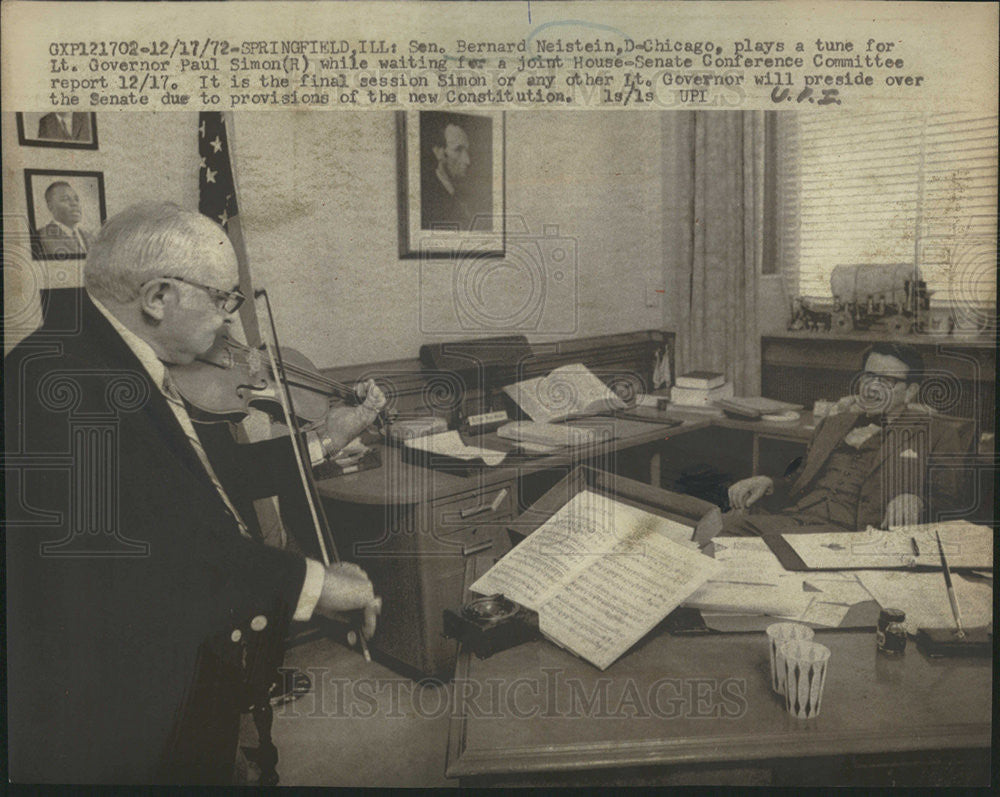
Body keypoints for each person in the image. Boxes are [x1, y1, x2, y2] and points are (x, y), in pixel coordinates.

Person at [6, 202, 386, 784]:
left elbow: (206, 481)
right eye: (222, 299)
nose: (230, 324)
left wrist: (326, 438)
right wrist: (315, 582)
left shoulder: (103, 355)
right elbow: (162, 553)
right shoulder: (63, 386)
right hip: (120, 716)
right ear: (158, 297)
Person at [724, 343, 974, 536]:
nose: (872, 388)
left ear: (910, 392)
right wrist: (768, 483)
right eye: (868, 377)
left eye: (886, 381)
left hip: (850, 536)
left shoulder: (936, 434)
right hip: (793, 521)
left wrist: (917, 501)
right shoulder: (833, 424)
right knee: (710, 527)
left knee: (722, 538)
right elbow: (799, 482)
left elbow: (950, 505)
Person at [421, 114, 476, 230]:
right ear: (438, 152)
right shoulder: (427, 202)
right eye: (458, 150)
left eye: (467, 151)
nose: (467, 161)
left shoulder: (463, 194)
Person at [37, 181, 93, 257]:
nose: (74, 204)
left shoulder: (90, 237)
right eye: (66, 199)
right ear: (50, 207)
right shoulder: (41, 237)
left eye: (76, 199)